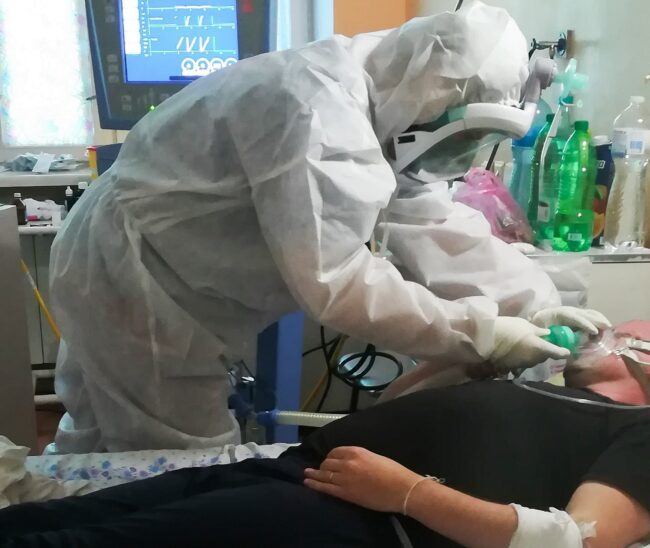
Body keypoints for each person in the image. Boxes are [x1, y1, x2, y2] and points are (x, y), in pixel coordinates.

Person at [49, 0, 609, 453]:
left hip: (151, 267)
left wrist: (531, 304)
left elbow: (431, 219)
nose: (460, 159)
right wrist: (481, 331)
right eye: (466, 138)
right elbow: (337, 280)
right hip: (137, 278)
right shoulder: (316, 103)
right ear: (436, 95)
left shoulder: (386, 110)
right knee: (177, 463)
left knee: (102, 445)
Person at [2, 321, 648, 547]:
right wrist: (474, 355)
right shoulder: (556, 397)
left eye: (628, 336)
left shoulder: (643, 430)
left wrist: (409, 494)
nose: (609, 334)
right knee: (59, 519)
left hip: (360, 516)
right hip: (302, 466)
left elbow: (575, 541)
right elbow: (394, 405)